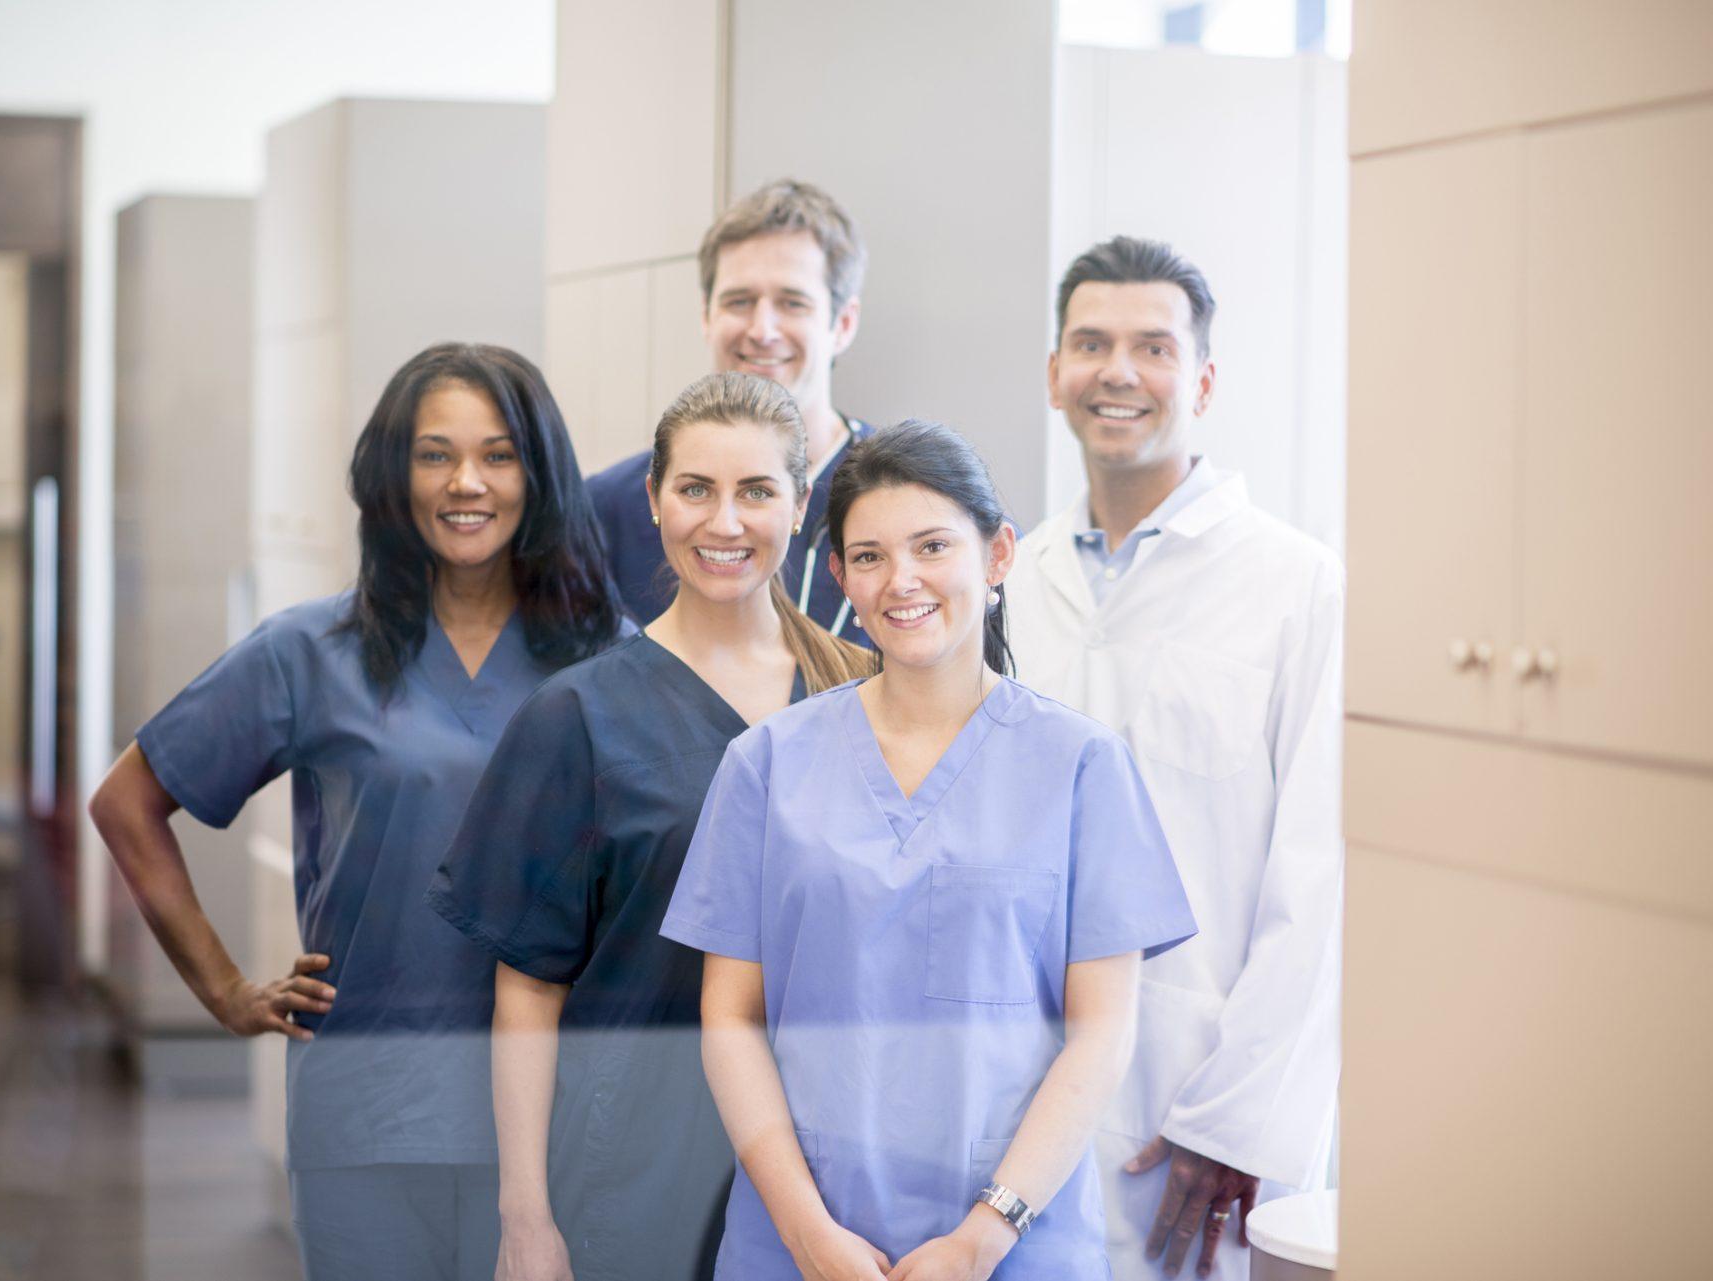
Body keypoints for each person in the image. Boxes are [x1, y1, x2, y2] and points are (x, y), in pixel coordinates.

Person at [88, 343, 623, 1281]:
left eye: (499, 455)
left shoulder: (604, 658)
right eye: (434, 454)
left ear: (538, 475)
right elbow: (128, 801)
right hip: (370, 1106)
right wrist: (226, 991)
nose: (468, 482)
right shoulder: (310, 652)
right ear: (394, 474)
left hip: (556, 1119)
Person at [661, 421, 1199, 1280]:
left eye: (932, 545)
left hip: (1016, 1241)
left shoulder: (1081, 766)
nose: (900, 580)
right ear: (838, 575)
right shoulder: (767, 763)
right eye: (868, 555)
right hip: (798, 1236)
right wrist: (805, 1234)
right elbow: (729, 1019)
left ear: (997, 557)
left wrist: (986, 1234)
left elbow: (1102, 1029)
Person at [426, 371, 874, 1281]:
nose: (725, 521)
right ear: (654, 503)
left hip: (839, 1163)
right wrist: (525, 1217)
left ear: (801, 509)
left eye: (757, 490)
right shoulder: (577, 717)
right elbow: (526, 990)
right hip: (637, 1165)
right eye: (696, 489)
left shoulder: (862, 692)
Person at [1007, 236, 1344, 1281]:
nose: (1118, 371)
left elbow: (1326, 879)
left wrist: (1240, 1120)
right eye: (1091, 343)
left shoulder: (1298, 585)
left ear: (1201, 379)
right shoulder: (1016, 577)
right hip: (1024, 1100)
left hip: (1200, 1111)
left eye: (1153, 346)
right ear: (1054, 373)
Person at [586, 178, 875, 645]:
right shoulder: (608, 510)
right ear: (706, 316)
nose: (762, 330)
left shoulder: (905, 500)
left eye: (791, 302)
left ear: (842, 324)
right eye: (739, 302)